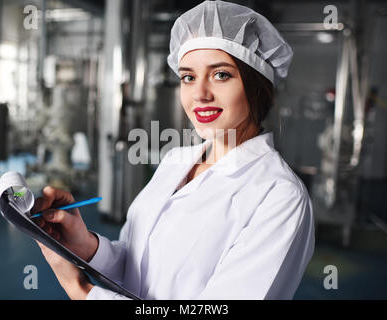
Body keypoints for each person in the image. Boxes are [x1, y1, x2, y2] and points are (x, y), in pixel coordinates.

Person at [33, 0, 315, 300]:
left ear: (256, 85)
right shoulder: (176, 161)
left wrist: (81, 291)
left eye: (221, 74)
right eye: (188, 77)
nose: (200, 94)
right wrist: (84, 244)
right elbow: (138, 266)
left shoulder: (279, 196)